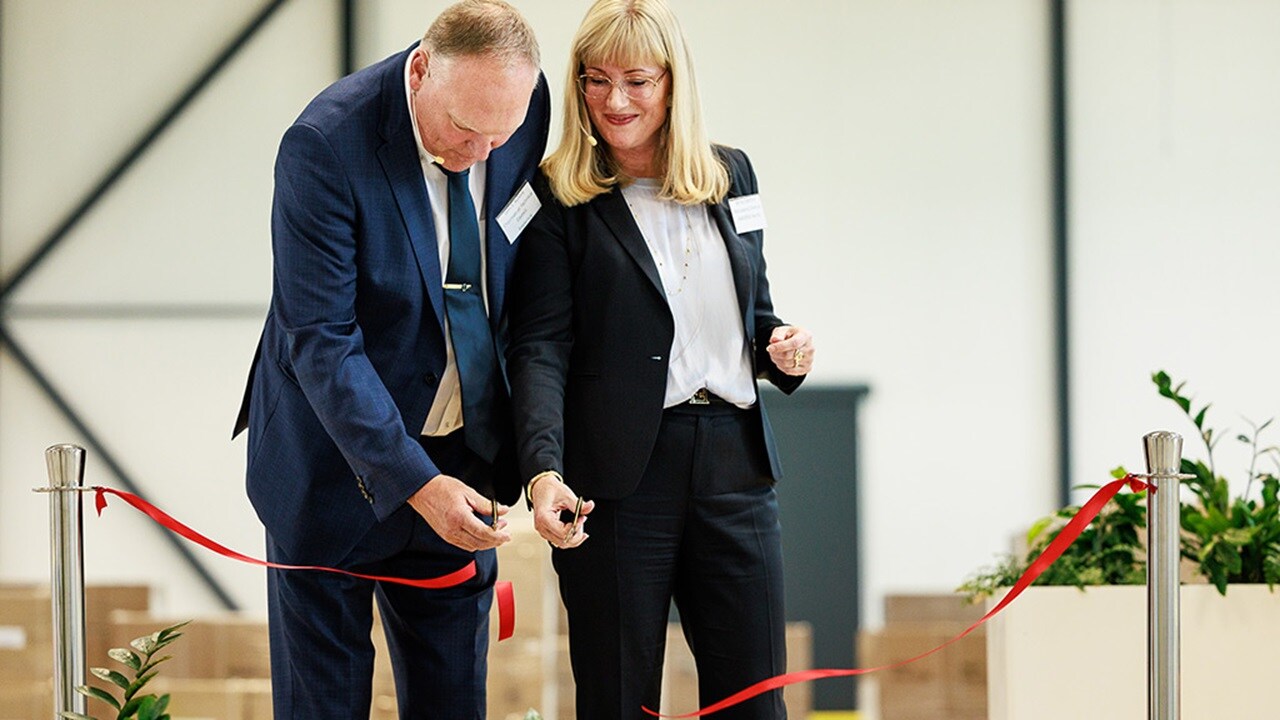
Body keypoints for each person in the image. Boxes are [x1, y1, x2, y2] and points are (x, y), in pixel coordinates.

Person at [230, 1, 549, 717]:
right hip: (333, 470)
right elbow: (322, 340)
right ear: (419, 72)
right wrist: (415, 481)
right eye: (466, 131)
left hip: (461, 467)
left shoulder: (511, 107)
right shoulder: (325, 145)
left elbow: (522, 281)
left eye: (503, 134)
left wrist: (535, 458)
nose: (483, 155)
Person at [506, 0, 815, 717]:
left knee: (754, 702)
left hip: (737, 468)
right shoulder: (557, 197)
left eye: (637, 80)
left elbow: (754, 314)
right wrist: (543, 468)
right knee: (618, 697)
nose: (614, 101)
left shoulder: (731, 174)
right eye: (595, 80)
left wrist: (783, 349)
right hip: (617, 481)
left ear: (675, 83)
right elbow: (540, 349)